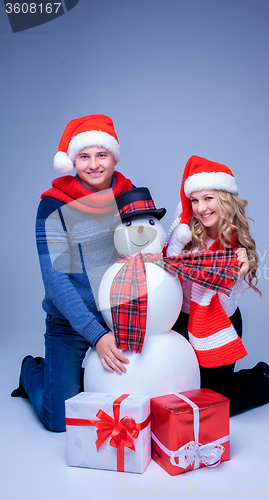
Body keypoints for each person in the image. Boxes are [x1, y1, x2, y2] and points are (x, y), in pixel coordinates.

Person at [11, 114, 134, 431]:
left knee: (137, 399)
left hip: (118, 315)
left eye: (101, 154)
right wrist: (97, 335)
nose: (94, 164)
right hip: (69, 321)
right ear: (72, 161)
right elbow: (55, 282)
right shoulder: (52, 206)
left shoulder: (130, 198)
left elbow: (148, 250)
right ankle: (31, 370)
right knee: (60, 421)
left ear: (113, 157)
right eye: (84, 156)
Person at [166, 155, 269, 416]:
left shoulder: (237, 247)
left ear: (224, 198)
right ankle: (257, 371)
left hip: (217, 323)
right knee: (186, 391)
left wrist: (237, 275)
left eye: (209, 198)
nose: (201, 208)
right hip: (180, 321)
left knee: (215, 406)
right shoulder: (184, 228)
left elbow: (223, 303)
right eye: (195, 200)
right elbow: (167, 266)